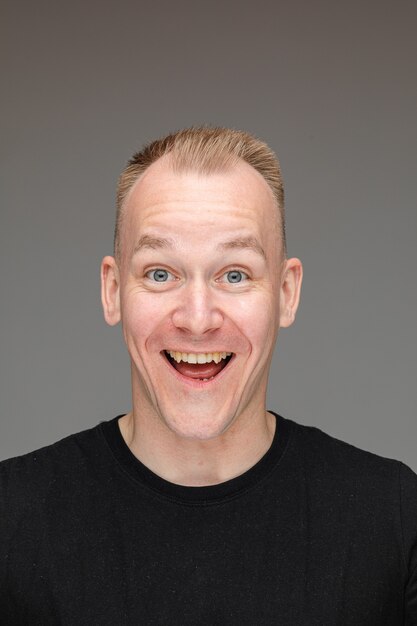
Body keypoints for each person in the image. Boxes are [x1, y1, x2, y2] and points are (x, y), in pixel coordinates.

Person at [0, 127, 416, 624]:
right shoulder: (11, 517)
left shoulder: (392, 517)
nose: (197, 319)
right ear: (112, 291)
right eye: (160, 273)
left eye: (234, 274)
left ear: (287, 293)